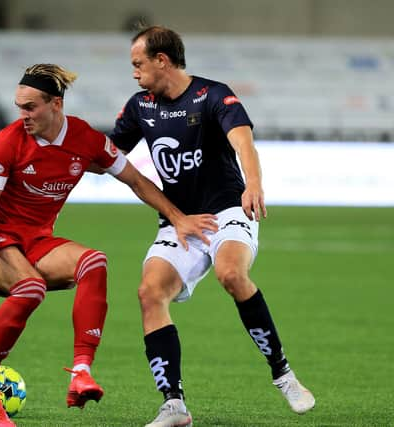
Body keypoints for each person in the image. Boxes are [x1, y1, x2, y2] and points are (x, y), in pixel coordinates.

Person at [0, 63, 216, 427]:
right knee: (30, 288)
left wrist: (177, 217)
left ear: (56, 104)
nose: (23, 115)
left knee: (94, 262)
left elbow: (136, 180)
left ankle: (81, 370)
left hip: (36, 241)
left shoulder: (86, 140)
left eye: (30, 107)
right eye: (19, 106)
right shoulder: (8, 141)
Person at [110, 26, 316, 426]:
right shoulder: (140, 106)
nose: (134, 73)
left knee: (231, 274)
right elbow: (109, 155)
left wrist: (253, 184)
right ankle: (174, 406)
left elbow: (243, 143)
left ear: (162, 60)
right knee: (149, 293)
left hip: (227, 211)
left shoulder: (213, 95)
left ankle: (283, 373)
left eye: (138, 64)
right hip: (182, 222)